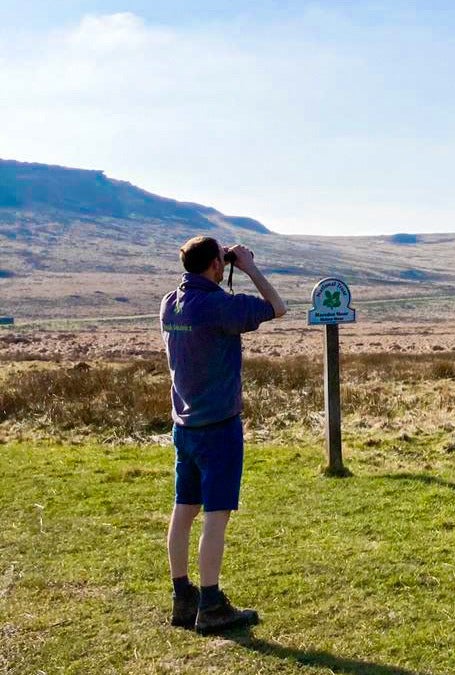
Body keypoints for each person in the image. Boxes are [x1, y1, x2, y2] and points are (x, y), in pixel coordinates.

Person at [160, 236, 287, 633]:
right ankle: (211, 603)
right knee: (216, 516)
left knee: (184, 510)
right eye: (222, 260)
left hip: (185, 424)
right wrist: (247, 267)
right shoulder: (217, 305)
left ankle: (184, 597)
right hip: (218, 426)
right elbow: (277, 308)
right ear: (216, 264)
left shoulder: (170, 302)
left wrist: (222, 266)